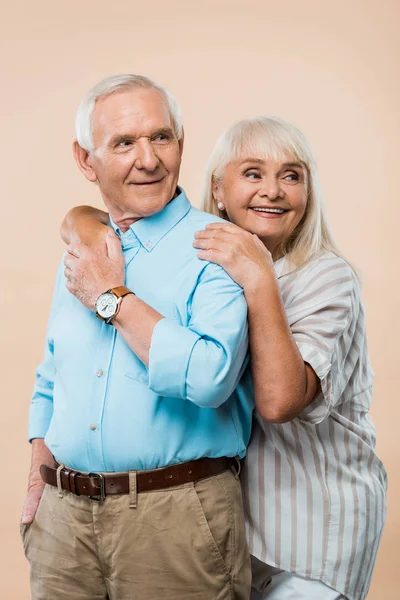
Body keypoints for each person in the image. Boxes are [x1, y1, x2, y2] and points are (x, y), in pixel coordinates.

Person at [66, 115, 387, 600]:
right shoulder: (203, 261)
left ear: (308, 192)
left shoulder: (327, 277)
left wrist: (259, 277)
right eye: (254, 173)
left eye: (292, 175)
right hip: (229, 523)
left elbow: (280, 403)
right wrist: (79, 219)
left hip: (313, 528)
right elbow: (94, 218)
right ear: (218, 188)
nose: (273, 191)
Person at [21, 74, 253, 600]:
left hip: (175, 519)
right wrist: (39, 482)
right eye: (124, 143)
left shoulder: (218, 249)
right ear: (86, 161)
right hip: (63, 524)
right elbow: (51, 376)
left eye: (161, 138)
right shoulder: (84, 249)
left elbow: (211, 378)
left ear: (181, 144)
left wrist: (113, 297)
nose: (148, 160)